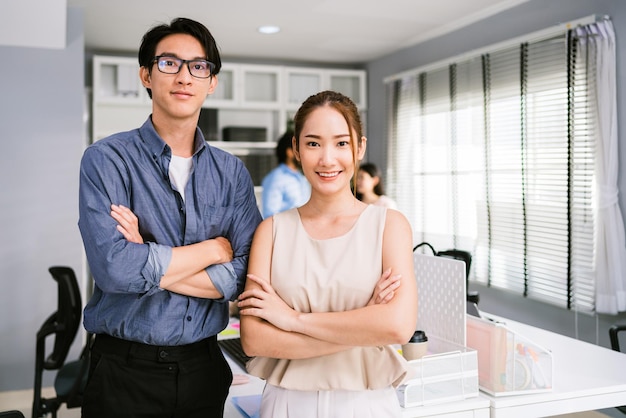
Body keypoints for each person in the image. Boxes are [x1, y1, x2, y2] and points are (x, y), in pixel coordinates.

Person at [77, 17, 263, 418]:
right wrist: (213, 249)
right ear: (146, 74)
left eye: (198, 66)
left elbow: (247, 275)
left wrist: (146, 254)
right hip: (124, 373)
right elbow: (114, 271)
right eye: (169, 63)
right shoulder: (107, 160)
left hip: (204, 369)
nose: (184, 76)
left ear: (211, 81)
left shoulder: (231, 173)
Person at [238, 90, 418, 417]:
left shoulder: (389, 225)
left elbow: (396, 327)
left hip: (368, 405)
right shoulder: (271, 231)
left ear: (359, 147)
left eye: (341, 143)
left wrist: (293, 320)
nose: (327, 159)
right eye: (313, 143)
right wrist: (363, 326)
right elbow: (254, 340)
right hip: (286, 405)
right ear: (296, 149)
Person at [261, 130, 311, 218]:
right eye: (299, 149)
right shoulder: (276, 179)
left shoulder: (301, 177)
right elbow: (270, 216)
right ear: (290, 152)